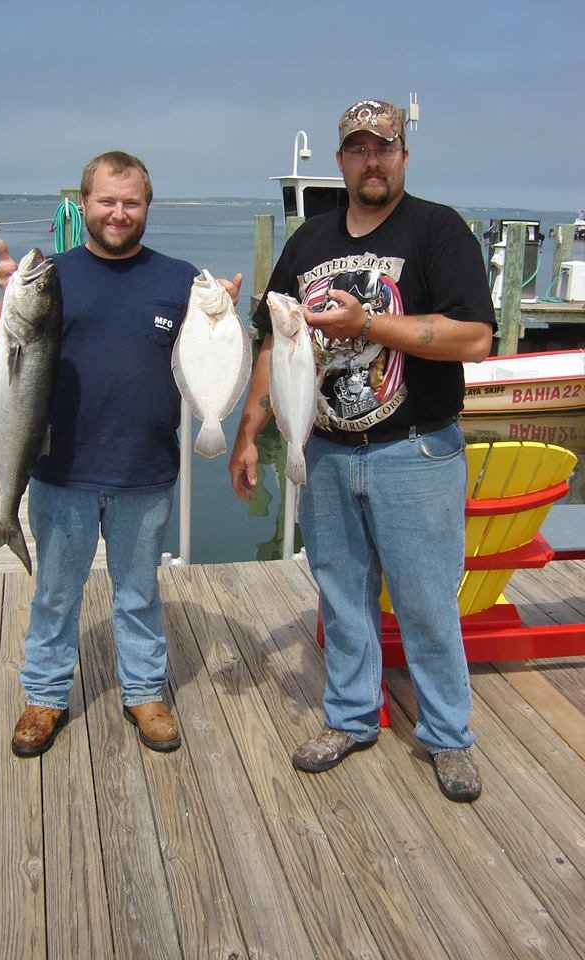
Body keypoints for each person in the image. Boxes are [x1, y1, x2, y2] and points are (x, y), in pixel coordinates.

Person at [229, 100, 494, 802]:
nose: (371, 160)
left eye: (385, 148)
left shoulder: (439, 230)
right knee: (343, 597)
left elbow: (475, 338)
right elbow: (271, 343)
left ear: (405, 156)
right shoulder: (308, 240)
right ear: (341, 160)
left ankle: (447, 737)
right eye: (358, 149)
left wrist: (370, 321)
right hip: (325, 453)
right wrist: (250, 431)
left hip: (416, 452)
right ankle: (351, 718)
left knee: (425, 603)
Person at [0, 150, 241, 757]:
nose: (118, 213)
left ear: (148, 207)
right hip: (59, 470)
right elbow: (0, 347)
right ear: (84, 204)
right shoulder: (51, 275)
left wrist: (225, 313)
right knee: (55, 591)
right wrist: (5, 297)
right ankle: (44, 696)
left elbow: (217, 354)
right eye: (106, 200)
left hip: (145, 470)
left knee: (138, 593)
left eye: (131, 202)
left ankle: (144, 691)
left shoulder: (179, 279)